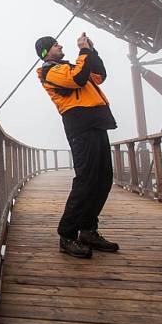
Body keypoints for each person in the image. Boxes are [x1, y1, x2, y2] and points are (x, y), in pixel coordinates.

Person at [35, 32, 119, 259]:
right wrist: (83, 51)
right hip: (81, 126)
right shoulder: (50, 71)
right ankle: (67, 234)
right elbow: (78, 79)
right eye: (55, 45)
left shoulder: (70, 67)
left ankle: (88, 230)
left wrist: (91, 51)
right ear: (46, 53)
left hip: (97, 122)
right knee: (87, 180)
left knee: (103, 178)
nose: (60, 46)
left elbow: (98, 76)